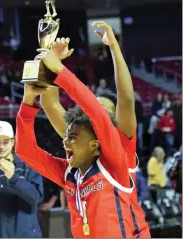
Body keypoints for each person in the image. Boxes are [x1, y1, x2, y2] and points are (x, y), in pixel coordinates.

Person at [40, 22, 150, 237]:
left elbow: (126, 100)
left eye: (103, 109)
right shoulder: (80, 139)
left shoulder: (122, 145)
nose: (94, 111)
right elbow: (50, 104)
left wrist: (114, 47)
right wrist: (50, 59)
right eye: (91, 107)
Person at [0, 120, 43, 238]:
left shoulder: (29, 165)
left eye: (5, 142)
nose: (1, 147)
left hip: (26, 235)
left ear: (13, 142)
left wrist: (13, 177)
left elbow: (36, 198)